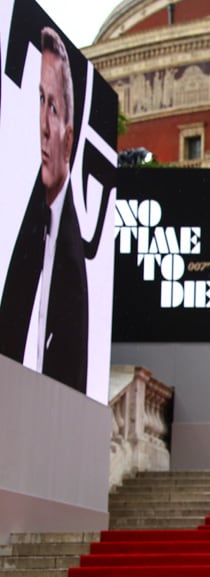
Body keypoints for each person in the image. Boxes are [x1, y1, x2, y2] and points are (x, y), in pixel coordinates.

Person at [0, 27, 88, 393]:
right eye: (40, 100)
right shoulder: (22, 225)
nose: (41, 125)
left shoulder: (75, 260)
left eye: (52, 107)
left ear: (69, 138)